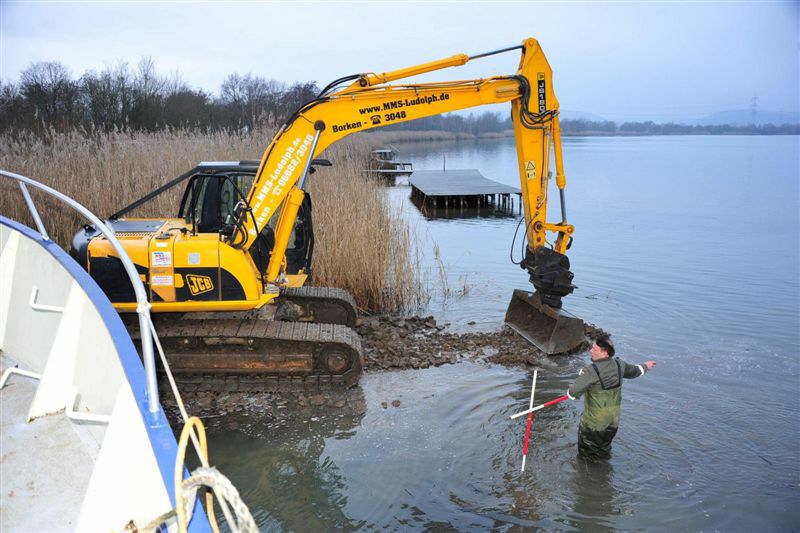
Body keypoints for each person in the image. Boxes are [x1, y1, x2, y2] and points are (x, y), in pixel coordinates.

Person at [567, 334, 656, 459]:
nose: (590, 351)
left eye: (594, 349)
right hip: (612, 422)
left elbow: (572, 394)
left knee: (586, 456)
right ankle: (605, 474)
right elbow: (636, 371)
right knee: (603, 451)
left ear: (605, 353)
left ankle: (589, 476)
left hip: (594, 425)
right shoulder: (620, 364)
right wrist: (647, 365)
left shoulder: (591, 370)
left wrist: (582, 376)